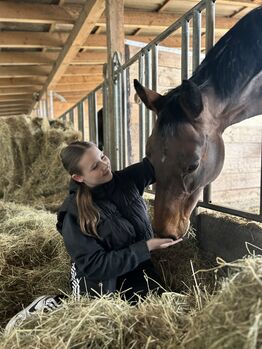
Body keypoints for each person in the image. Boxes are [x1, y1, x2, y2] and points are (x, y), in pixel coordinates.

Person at [5, 140, 181, 333]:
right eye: (95, 166)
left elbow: (164, 161)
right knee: (97, 327)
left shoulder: (126, 180)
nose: (105, 165)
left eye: (103, 156)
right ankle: (52, 304)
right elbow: (94, 265)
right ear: (79, 177)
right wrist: (146, 247)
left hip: (137, 265)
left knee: (162, 313)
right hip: (98, 280)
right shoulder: (74, 213)